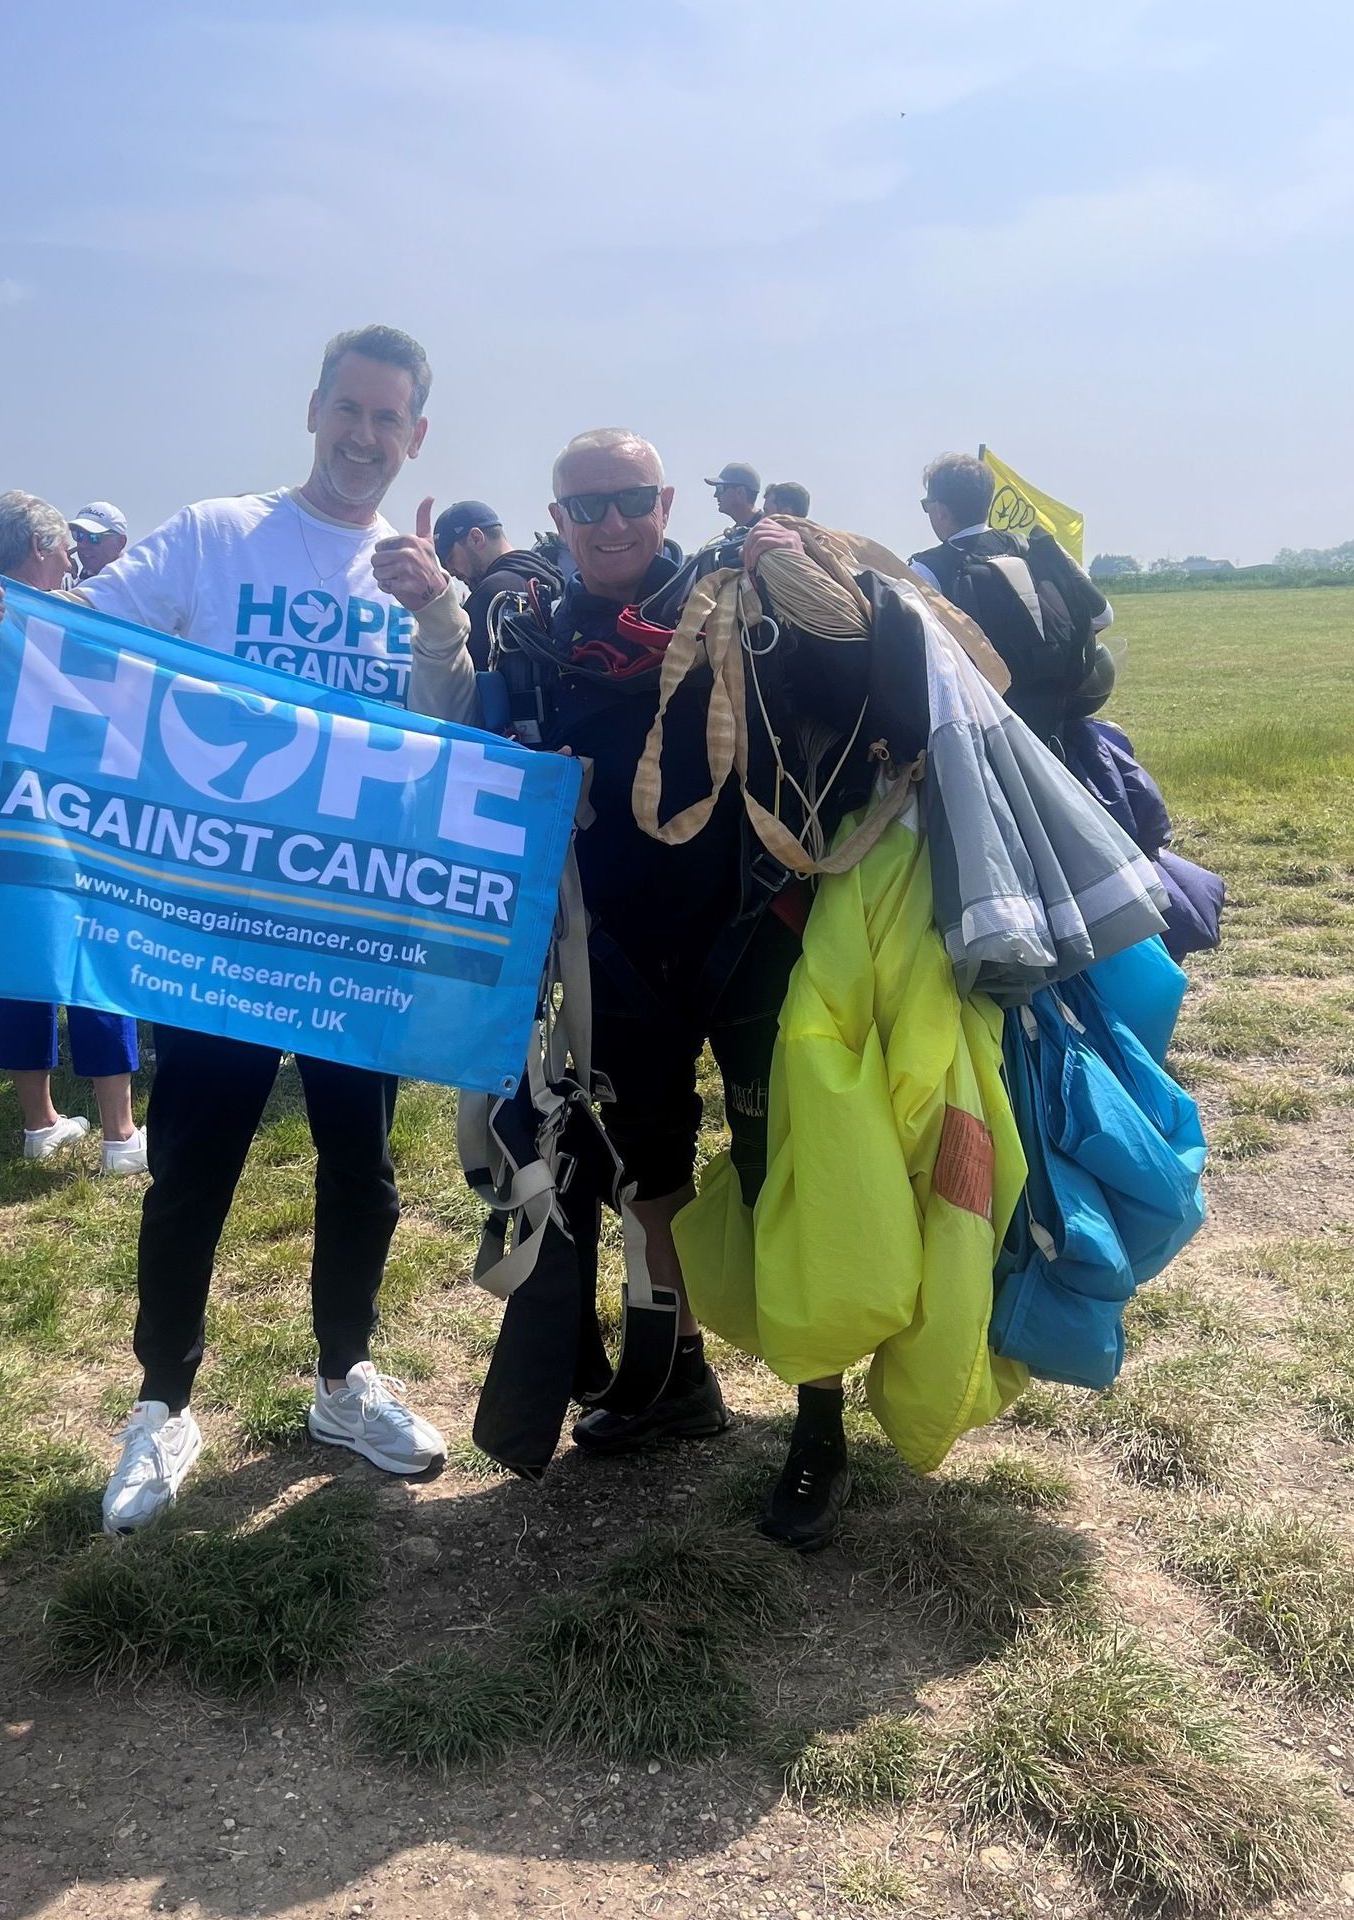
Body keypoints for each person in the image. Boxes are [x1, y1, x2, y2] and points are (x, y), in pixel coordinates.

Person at [0, 324, 452, 1531]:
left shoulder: (415, 574)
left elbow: (453, 724)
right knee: (192, 1172)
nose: (366, 437)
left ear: (416, 436)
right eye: (350, 411)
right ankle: (163, 1405)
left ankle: (344, 1380)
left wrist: (438, 620)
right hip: (216, 937)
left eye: (391, 420)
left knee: (361, 1170)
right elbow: (80, 630)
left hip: (355, 935)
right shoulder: (220, 535)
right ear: (314, 409)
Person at [397, 429, 912, 1551]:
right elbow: (457, 742)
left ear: (667, 501)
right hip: (615, 958)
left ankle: (818, 1426)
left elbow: (877, 699)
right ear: (558, 516)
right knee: (653, 1179)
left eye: (633, 498)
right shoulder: (534, 641)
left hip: (752, 941)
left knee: (786, 1174)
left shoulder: (746, 609)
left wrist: (816, 575)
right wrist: (439, 611)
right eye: (588, 507)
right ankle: (676, 1376)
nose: (614, 521)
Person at [0, 492, 147, 1173]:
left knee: (21, 959)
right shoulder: (77, 619)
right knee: (98, 954)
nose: (75, 557)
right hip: (79, 805)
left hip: (2, 806)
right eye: (66, 547)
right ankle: (119, 1133)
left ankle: (39, 1121)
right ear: (44, 548)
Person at [909, 452, 1112, 742]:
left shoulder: (927, 569)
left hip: (984, 731)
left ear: (940, 510)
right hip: (1054, 723)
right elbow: (1103, 616)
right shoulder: (1038, 548)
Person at [431, 499, 565, 669]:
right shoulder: (555, 577)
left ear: (476, 538)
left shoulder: (490, 594)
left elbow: (458, 681)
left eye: (450, 559)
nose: (451, 572)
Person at [67, 502, 128, 581]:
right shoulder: (69, 583)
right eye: (79, 535)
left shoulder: (137, 587)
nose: (83, 545)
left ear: (120, 542)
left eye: (94, 537)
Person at [705, 460, 763, 532]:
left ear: (739, 492)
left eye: (720, 488)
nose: (716, 495)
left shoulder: (769, 530)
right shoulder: (735, 536)